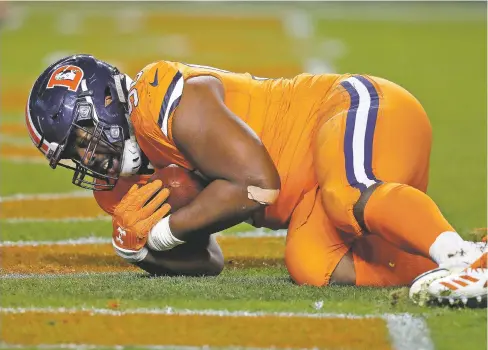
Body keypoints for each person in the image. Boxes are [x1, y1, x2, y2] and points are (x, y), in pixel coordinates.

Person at [26, 54, 486, 306]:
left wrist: (163, 233)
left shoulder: (159, 102)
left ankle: (462, 257)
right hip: (308, 192)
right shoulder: (120, 190)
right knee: (310, 264)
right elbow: (206, 259)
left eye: (82, 139)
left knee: (350, 193)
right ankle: (456, 264)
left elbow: (258, 185)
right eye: (72, 155)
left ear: (104, 101)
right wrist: (141, 250)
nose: (86, 158)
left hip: (349, 110)